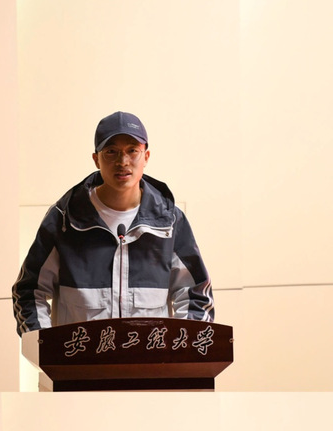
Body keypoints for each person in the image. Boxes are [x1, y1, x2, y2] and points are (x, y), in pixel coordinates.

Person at [12, 112, 214, 335]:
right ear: (96, 159)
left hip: (150, 357)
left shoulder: (169, 221)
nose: (123, 162)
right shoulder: (65, 219)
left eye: (132, 151)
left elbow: (196, 295)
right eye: (111, 152)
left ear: (146, 156)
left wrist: (182, 350)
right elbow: (29, 292)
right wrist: (45, 347)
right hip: (81, 357)